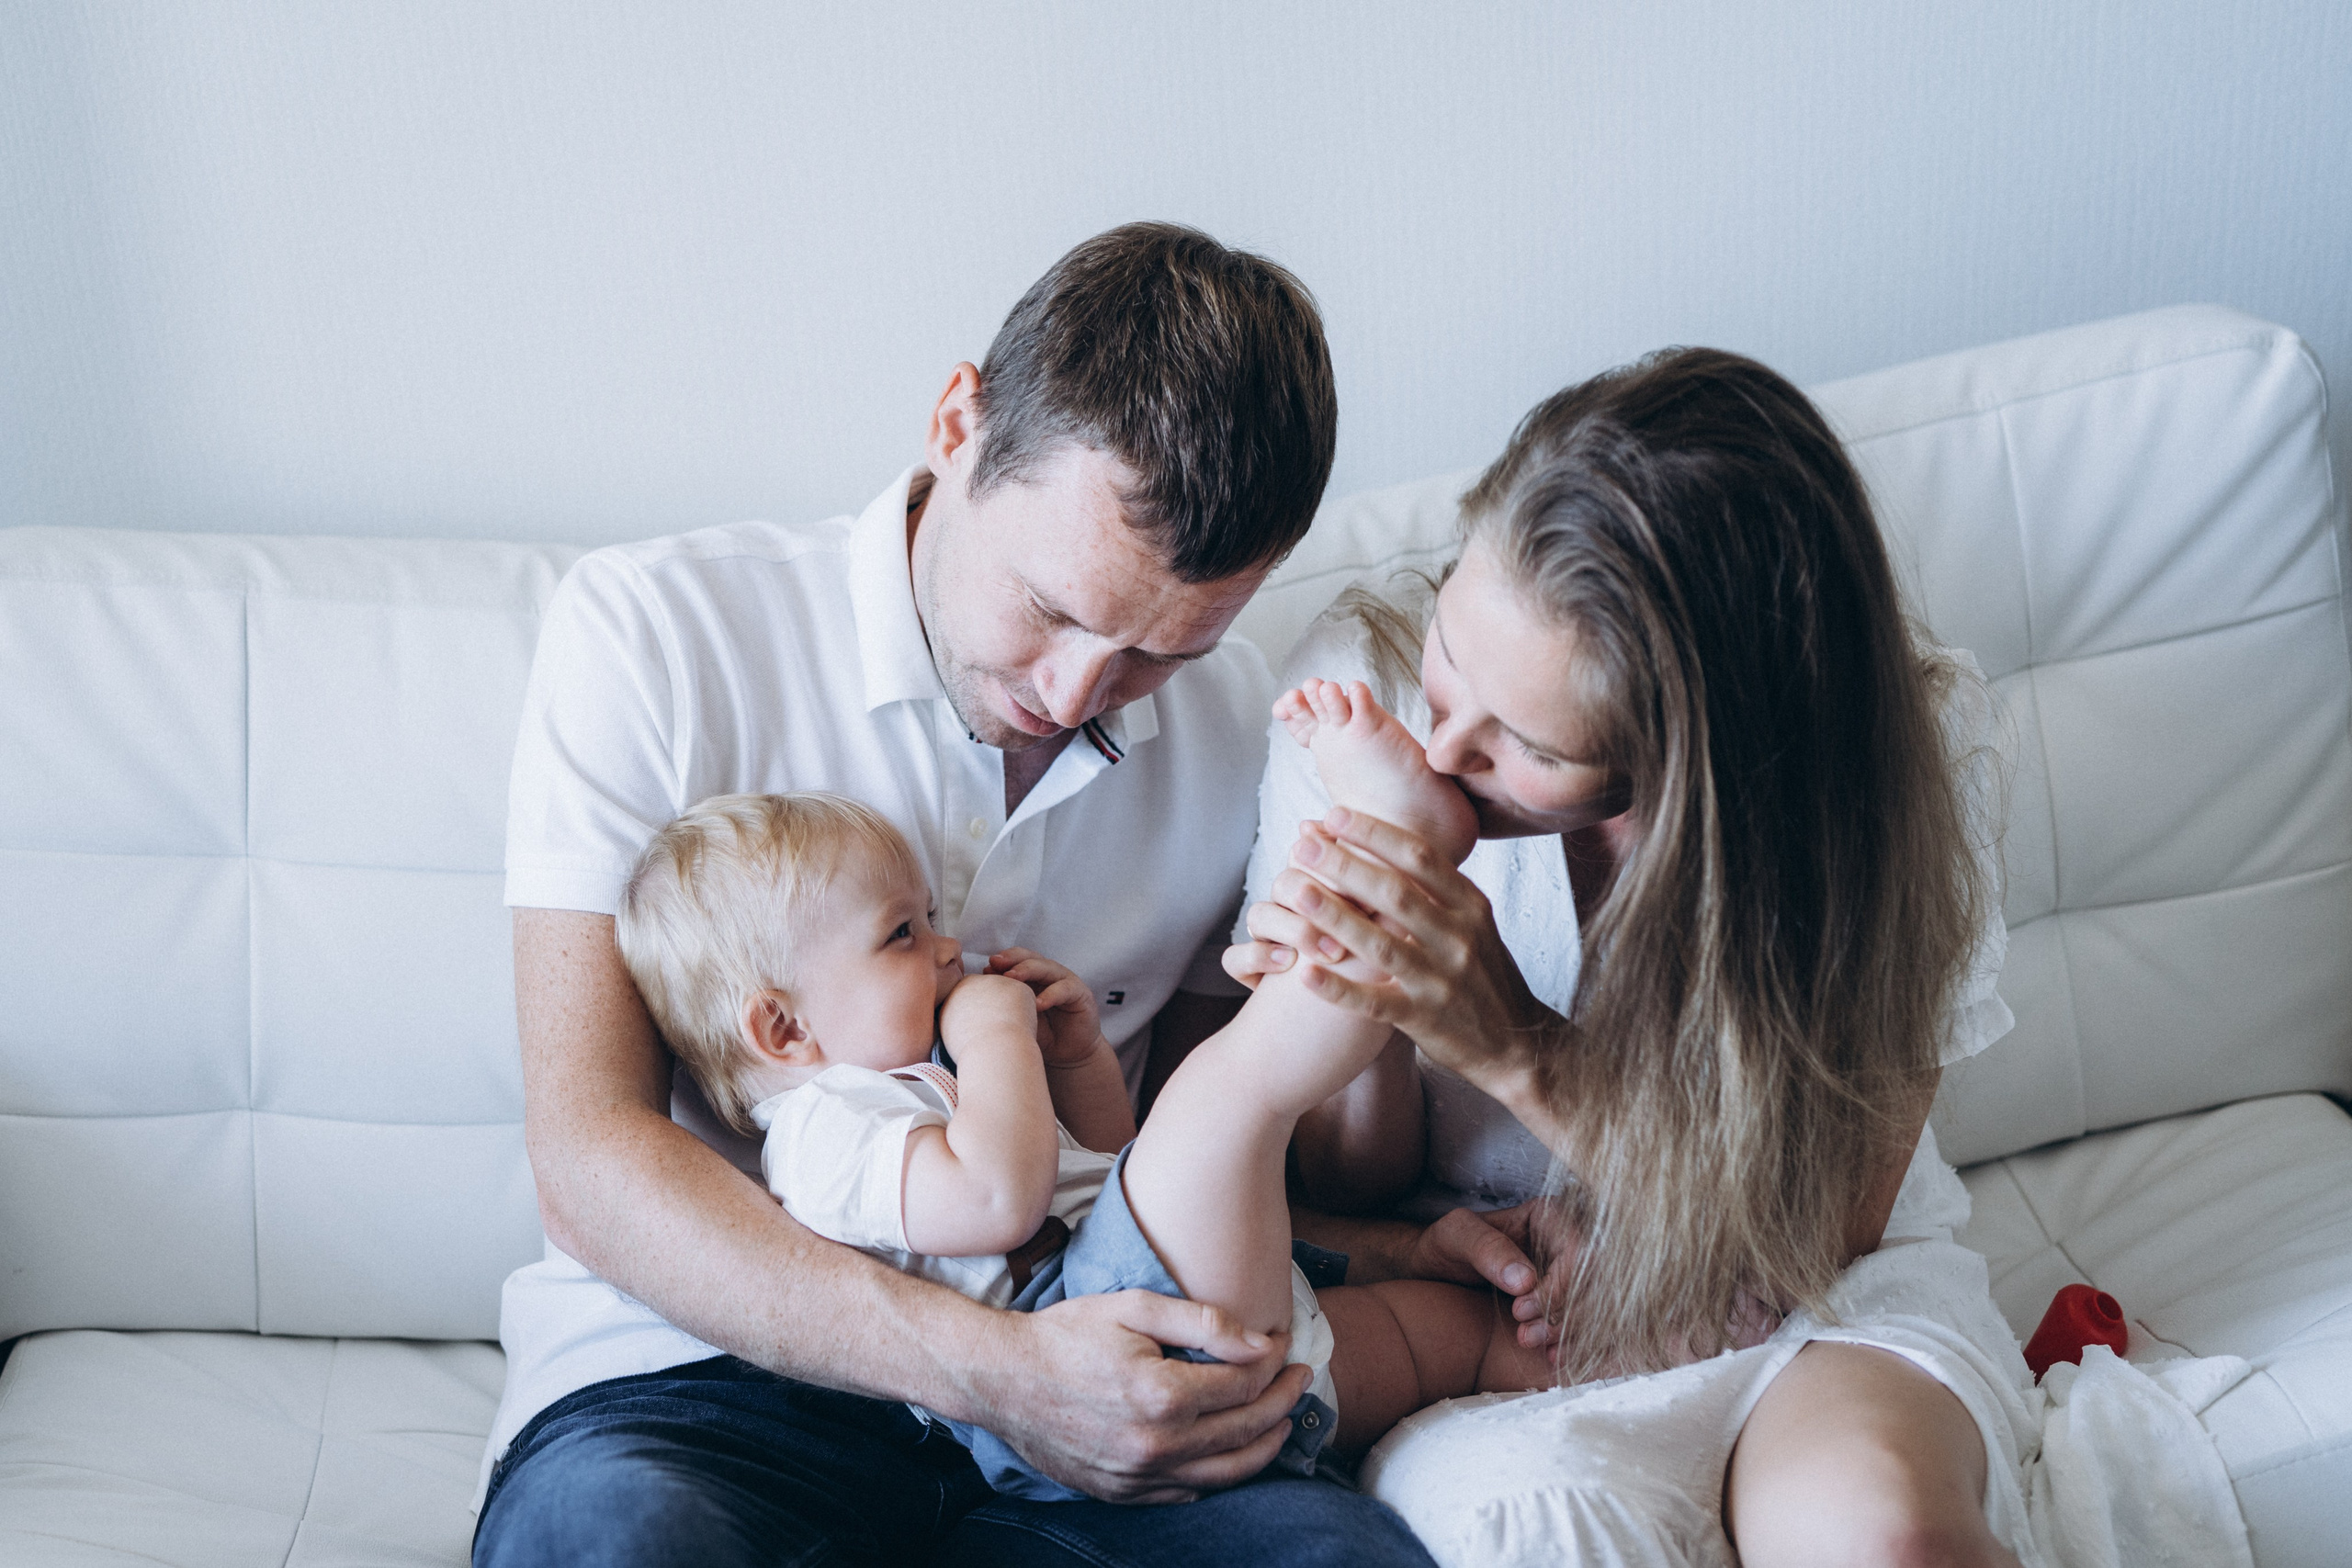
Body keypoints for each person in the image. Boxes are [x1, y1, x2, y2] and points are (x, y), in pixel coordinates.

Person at [474, 223, 1456, 1568]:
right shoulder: (656, 630)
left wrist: (1405, 1241)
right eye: (1048, 607)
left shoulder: (1240, 732)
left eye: (1160, 652)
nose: (1072, 694)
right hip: (706, 1383)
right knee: (615, 1543)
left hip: (1102, 1390)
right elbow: (591, 1155)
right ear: (957, 422)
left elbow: (1185, 1164)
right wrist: (997, 1370)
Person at [1220, 348, 2043, 1566]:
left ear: (1686, 751)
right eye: (1455, 648)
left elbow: (1825, 1230)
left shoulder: (1900, 765)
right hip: (1495, 1315)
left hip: (1813, 1307)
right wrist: (1377, 992)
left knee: (1889, 1535)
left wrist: (1514, 1044)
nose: (1447, 744)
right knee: (1542, 1533)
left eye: (1527, 742)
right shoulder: (1359, 697)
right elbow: (1351, 1179)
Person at [592, 791, 1544, 1498]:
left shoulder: (920, 1083)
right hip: (1089, 1365)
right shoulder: (824, 1135)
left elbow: (1105, 1165)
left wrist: (1078, 1057)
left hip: (1208, 1348)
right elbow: (1000, 1204)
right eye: (899, 934)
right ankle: (1374, 900)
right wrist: (994, 1037)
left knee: (1450, 1341)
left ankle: (1630, 1348)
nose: (945, 948)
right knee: (1216, 1107)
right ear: (784, 1031)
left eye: (927, 918)